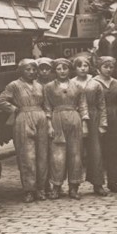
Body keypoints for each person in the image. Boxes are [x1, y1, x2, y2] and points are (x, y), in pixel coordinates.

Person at [0, 59, 49, 203]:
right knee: (27, 156)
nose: (31, 72)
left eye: (33, 69)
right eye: (28, 69)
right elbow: (0, 100)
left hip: (41, 118)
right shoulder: (14, 85)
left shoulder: (40, 86)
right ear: (21, 71)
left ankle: (41, 188)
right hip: (23, 119)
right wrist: (14, 109)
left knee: (42, 155)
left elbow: (47, 104)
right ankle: (29, 190)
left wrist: (48, 120)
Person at [42, 59, 88, 200]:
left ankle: (74, 188)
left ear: (70, 70)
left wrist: (85, 123)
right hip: (57, 119)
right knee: (58, 156)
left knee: (75, 154)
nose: (62, 71)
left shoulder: (78, 86)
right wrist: (49, 125)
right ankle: (56, 187)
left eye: (65, 68)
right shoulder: (49, 87)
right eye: (59, 69)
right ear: (55, 71)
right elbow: (47, 107)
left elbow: (83, 105)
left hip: (74, 119)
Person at [74, 56, 108, 196]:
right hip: (76, 117)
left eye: (85, 65)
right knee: (76, 152)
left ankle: (98, 183)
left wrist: (103, 123)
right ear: (75, 68)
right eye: (79, 66)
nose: (83, 68)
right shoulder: (71, 83)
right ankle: (74, 185)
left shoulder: (95, 83)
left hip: (93, 117)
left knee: (96, 151)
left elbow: (102, 105)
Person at [92, 57, 117, 193]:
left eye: (111, 67)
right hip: (98, 116)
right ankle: (97, 183)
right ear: (99, 67)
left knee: (115, 150)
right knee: (98, 151)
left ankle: (114, 181)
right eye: (105, 66)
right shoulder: (93, 82)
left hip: (115, 117)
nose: (109, 70)